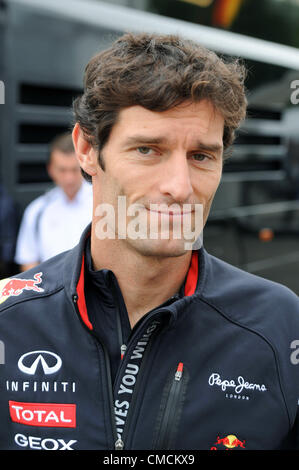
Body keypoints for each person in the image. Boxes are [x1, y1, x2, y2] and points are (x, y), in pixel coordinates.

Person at [0, 32, 298, 451]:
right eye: (147, 149)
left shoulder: (281, 326)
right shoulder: (9, 321)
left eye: (201, 156)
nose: (179, 187)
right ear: (87, 148)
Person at [14, 132, 92, 272]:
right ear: (50, 169)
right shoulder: (37, 210)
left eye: (74, 170)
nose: (69, 178)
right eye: (62, 170)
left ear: (83, 166)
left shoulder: (101, 204)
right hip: (50, 290)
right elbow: (28, 260)